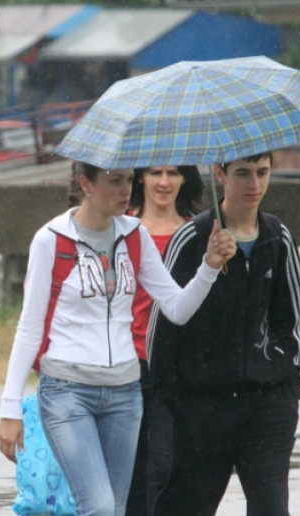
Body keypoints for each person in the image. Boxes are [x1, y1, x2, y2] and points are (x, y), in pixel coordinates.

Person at [0, 162, 235, 516]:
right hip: (67, 392)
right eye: (114, 182)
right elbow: (29, 328)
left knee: (118, 509)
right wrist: (9, 408)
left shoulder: (134, 235)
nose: (125, 191)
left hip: (125, 393)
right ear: (85, 184)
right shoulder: (51, 239)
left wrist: (210, 266)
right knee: (100, 507)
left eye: (127, 181)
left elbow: (176, 308)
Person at [148, 152, 300, 515]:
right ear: (220, 174)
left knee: (271, 507)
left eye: (262, 173)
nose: (254, 184)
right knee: (185, 507)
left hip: (267, 402)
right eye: (242, 174)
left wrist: (289, 383)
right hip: (202, 405)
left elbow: (295, 321)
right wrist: (174, 398)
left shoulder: (277, 236)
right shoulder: (190, 238)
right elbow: (163, 327)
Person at [125, 165, 203, 516]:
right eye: (155, 172)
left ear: (186, 178)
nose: (164, 182)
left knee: (165, 468)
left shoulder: (199, 233)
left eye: (173, 172)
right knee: (128, 472)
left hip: (178, 370)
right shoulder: (120, 229)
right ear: (140, 177)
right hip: (127, 366)